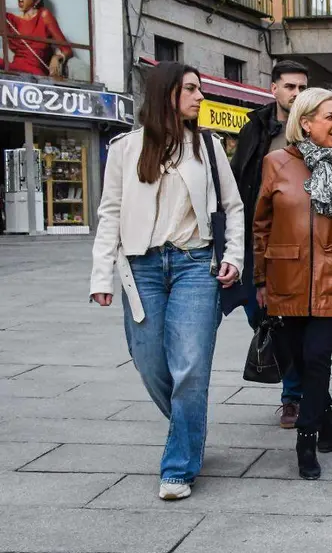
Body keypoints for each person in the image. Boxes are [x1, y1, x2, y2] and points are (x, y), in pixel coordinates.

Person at [89, 62, 244, 501]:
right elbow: (110, 213)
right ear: (166, 94)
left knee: (190, 366)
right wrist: (101, 273)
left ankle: (178, 466)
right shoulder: (124, 149)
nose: (200, 97)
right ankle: (189, 429)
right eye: (191, 89)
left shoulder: (209, 147)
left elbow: (233, 207)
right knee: (150, 363)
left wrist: (233, 256)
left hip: (197, 265)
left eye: (200, 89)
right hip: (141, 269)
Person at [253, 88, 332, 480]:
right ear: (305, 123)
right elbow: (261, 225)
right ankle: (324, 412)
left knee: (319, 355)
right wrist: (259, 279)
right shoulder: (275, 163)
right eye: (330, 117)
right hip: (285, 278)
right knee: (298, 360)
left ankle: (306, 441)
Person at [229, 60, 310, 427]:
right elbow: (236, 180)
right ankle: (292, 374)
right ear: (273, 88)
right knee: (259, 316)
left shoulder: (313, 131)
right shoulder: (256, 129)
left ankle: (293, 395)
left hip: (295, 242)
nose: (296, 94)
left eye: (301, 87)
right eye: (290, 87)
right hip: (252, 238)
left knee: (289, 319)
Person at [6, 0, 72, 77]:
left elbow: (67, 50)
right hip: (14, 69)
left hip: (35, 73)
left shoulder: (44, 15)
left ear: (36, 0)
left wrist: (57, 57)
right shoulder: (9, 19)